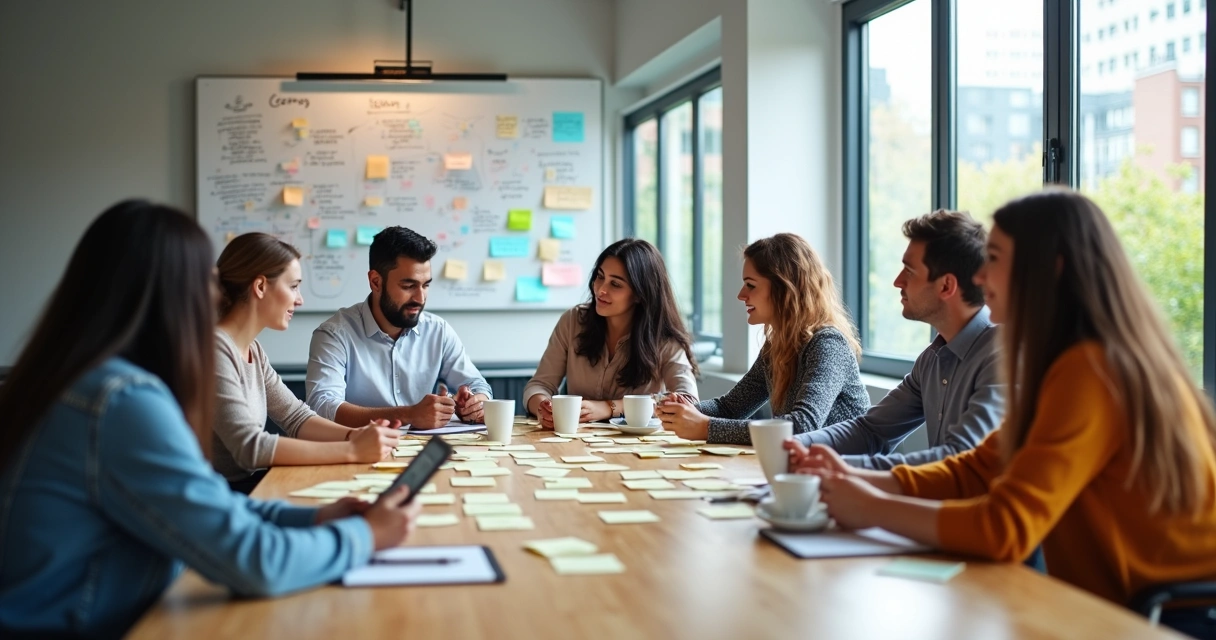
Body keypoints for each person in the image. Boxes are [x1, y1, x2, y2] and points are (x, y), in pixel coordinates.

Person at [0, 201, 420, 639]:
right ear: (173, 289)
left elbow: (209, 502)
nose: (215, 293)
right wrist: (365, 536)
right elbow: (256, 562)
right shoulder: (122, 402)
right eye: (206, 279)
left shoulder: (74, 379)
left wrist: (313, 519)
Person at [788, 190, 1216, 614]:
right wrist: (851, 477)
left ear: (1050, 270)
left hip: (1168, 618)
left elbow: (1004, 528)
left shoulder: (1092, 368)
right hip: (1113, 606)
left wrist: (871, 506)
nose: (979, 277)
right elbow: (977, 469)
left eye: (994, 259)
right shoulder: (1060, 361)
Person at [790, 210, 1002, 469]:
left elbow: (959, 459)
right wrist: (796, 446)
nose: (897, 281)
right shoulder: (932, 358)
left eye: (910, 272)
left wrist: (845, 469)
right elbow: (871, 431)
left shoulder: (1002, 356)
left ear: (946, 286)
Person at [214, 233, 399, 493]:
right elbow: (250, 448)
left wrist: (353, 435)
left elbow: (296, 417)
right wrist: (351, 450)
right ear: (260, 287)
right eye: (293, 286)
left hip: (246, 487)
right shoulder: (214, 350)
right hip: (219, 496)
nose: (299, 299)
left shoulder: (253, 350)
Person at [657, 233, 869, 444]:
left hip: (845, 472)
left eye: (750, 285)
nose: (741, 295)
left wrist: (706, 427)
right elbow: (730, 408)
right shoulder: (776, 346)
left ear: (784, 289)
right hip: (804, 470)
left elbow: (803, 426)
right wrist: (684, 410)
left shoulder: (828, 344)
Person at [307, 226, 493, 430]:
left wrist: (475, 403)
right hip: (358, 453)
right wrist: (408, 414)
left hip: (423, 454)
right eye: (408, 286)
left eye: (426, 285)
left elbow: (477, 384)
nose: (420, 298)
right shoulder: (335, 334)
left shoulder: (438, 331)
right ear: (376, 282)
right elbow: (323, 407)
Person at [523, 239, 699, 427]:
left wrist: (610, 407)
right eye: (600, 276)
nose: (601, 290)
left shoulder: (663, 337)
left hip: (640, 449)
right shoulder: (574, 320)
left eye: (615, 284)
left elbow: (688, 401)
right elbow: (538, 385)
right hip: (577, 444)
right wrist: (543, 406)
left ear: (640, 294)